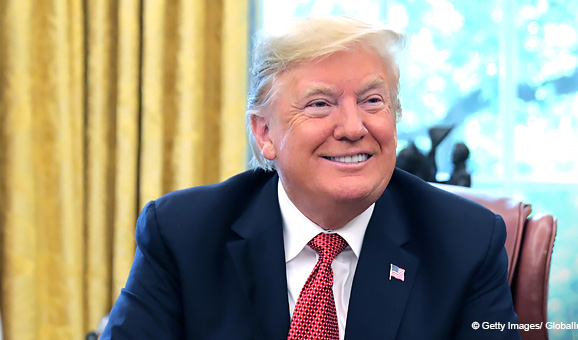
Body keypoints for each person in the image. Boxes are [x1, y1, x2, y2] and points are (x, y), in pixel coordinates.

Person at [101, 16, 520, 339]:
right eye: (320, 104)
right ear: (264, 134)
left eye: (373, 101)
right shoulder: (183, 234)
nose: (353, 127)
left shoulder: (464, 241)